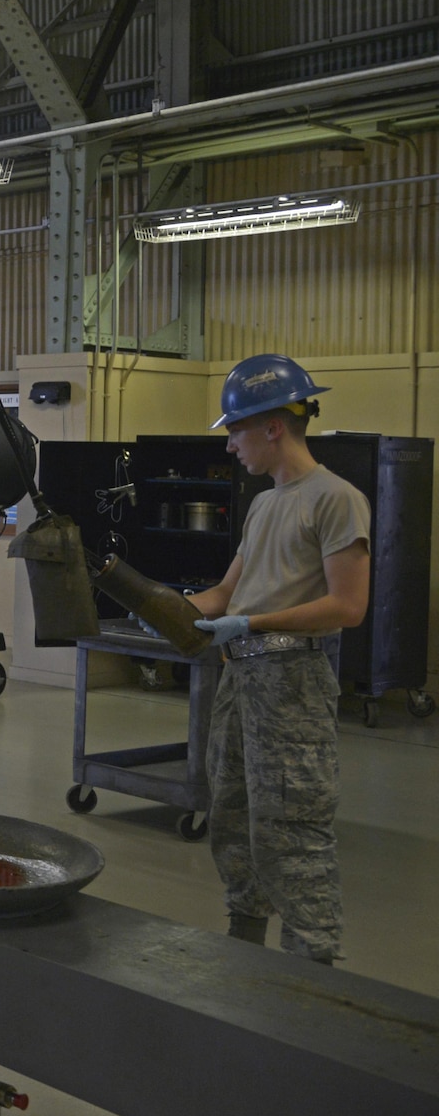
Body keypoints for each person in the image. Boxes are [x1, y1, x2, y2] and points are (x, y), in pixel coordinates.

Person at [188, 354, 370, 964]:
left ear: (273, 427)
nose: (232, 444)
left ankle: (311, 972)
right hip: (241, 678)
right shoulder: (266, 504)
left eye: (236, 430)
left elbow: (347, 606)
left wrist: (252, 622)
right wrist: (166, 605)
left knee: (292, 831)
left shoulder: (336, 500)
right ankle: (247, 961)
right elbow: (226, 593)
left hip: (292, 683)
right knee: (234, 823)